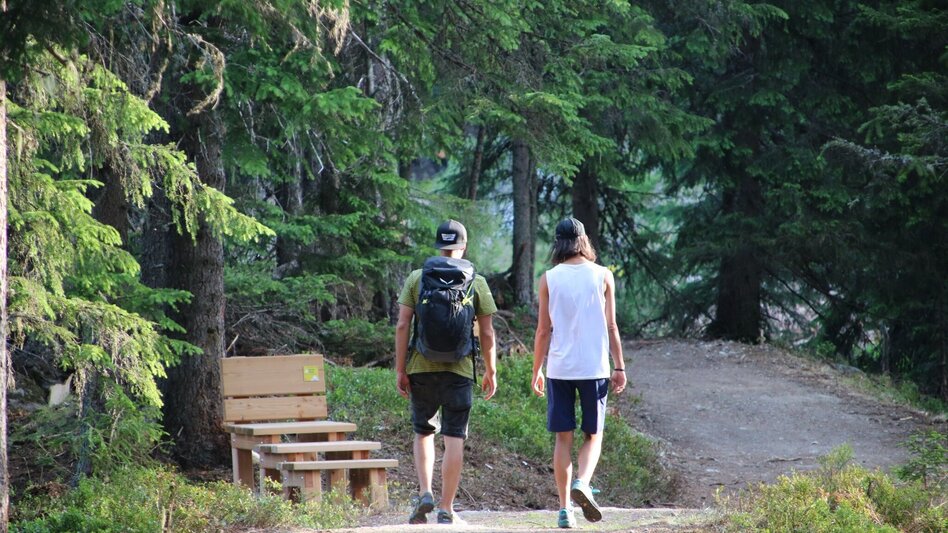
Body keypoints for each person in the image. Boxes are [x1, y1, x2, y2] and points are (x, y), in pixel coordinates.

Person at [394, 219, 498, 525]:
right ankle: (446, 508)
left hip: (420, 367)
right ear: (463, 246)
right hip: (460, 370)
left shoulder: (418, 277)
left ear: (438, 245)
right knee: (454, 437)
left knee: (423, 431)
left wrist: (400, 369)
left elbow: (402, 325)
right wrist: (491, 370)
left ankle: (425, 492)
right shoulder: (476, 281)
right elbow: (488, 333)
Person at [531, 217, 627, 529]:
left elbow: (543, 330)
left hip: (560, 368)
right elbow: (612, 325)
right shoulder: (603, 275)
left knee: (563, 439)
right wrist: (620, 366)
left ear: (557, 243)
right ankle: (583, 484)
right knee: (593, 435)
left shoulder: (548, 278)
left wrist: (537, 370)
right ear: (583, 240)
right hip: (594, 367)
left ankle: (564, 510)